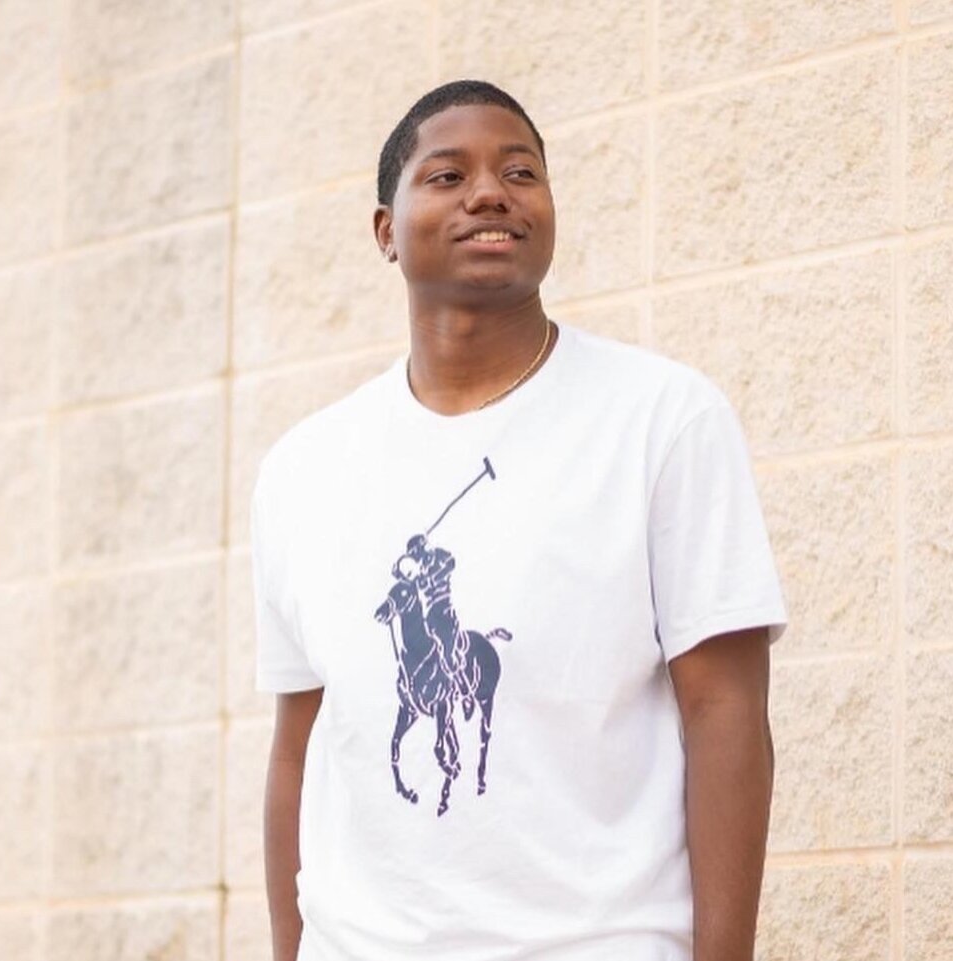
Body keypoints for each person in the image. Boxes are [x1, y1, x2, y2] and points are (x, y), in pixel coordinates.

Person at [251, 79, 788, 961]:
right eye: (447, 176)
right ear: (386, 231)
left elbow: (726, 709)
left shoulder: (661, 418)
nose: (490, 193)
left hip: (598, 946)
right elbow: (297, 749)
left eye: (520, 172)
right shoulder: (301, 470)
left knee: (453, 647)